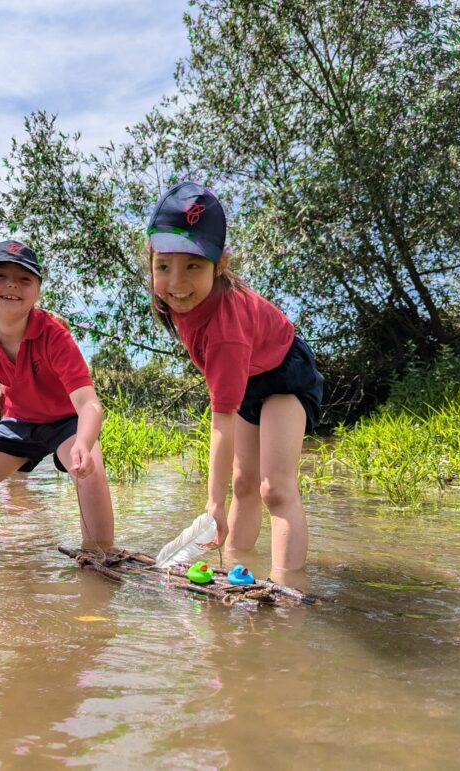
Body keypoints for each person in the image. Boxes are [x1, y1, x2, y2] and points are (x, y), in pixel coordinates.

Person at [145, 181, 323, 573]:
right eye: (163, 266)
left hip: (285, 375)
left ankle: (287, 585)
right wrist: (223, 497)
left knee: (274, 488)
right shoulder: (176, 301)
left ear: (219, 264)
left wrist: (213, 504)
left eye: (193, 265)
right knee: (243, 482)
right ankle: (238, 570)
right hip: (251, 376)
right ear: (152, 261)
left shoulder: (227, 328)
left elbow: (221, 419)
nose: (176, 284)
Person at [0, 240, 114, 550]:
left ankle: (98, 564)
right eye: (0, 275)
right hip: (18, 424)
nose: (12, 284)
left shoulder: (54, 334)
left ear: (37, 290)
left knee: (89, 476)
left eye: (24, 278)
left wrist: (84, 443)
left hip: (67, 423)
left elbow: (88, 403)